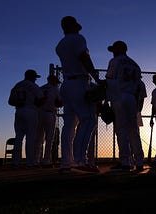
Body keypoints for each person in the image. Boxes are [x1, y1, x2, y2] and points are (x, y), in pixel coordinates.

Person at [55, 16, 102, 173]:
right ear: (73, 26)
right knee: (88, 120)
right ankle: (80, 161)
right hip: (79, 82)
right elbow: (84, 57)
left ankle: (66, 162)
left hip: (66, 84)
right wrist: (96, 77)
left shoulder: (60, 44)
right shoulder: (78, 38)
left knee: (69, 125)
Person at [105, 40, 145, 172]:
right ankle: (139, 162)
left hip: (119, 95)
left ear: (118, 49)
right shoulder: (135, 64)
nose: (113, 53)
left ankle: (125, 162)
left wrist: (106, 99)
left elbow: (109, 80)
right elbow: (139, 86)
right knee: (133, 130)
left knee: (121, 130)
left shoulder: (115, 61)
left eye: (114, 50)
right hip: (132, 98)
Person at [10, 69, 45, 169]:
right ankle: (30, 163)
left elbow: (10, 101)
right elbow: (41, 99)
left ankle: (15, 162)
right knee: (30, 137)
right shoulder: (33, 86)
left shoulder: (17, 85)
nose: (35, 79)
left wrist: (19, 103)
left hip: (19, 111)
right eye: (35, 77)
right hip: (31, 111)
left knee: (18, 137)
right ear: (32, 77)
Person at [34, 75, 63, 168]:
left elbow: (36, 101)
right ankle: (46, 160)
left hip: (39, 114)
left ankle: (36, 160)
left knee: (38, 138)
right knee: (49, 138)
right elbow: (59, 103)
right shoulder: (55, 89)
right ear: (53, 81)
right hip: (50, 113)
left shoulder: (40, 88)